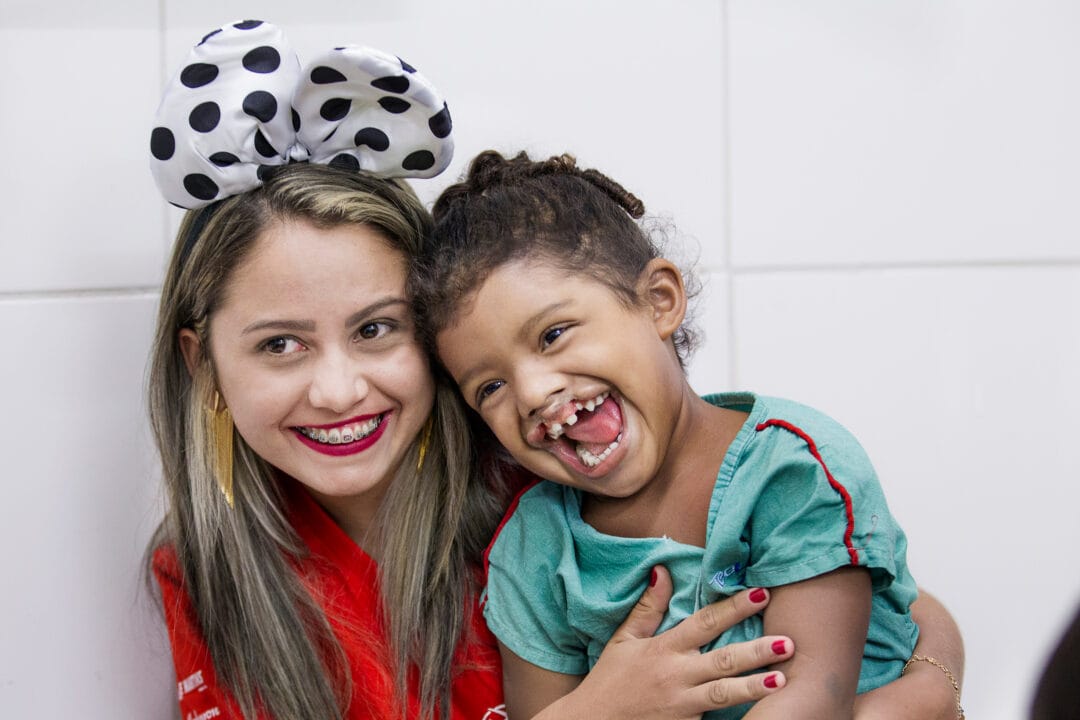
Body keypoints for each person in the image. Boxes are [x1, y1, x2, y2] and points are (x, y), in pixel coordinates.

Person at [144, 20, 830, 720]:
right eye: (280, 345)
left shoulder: (552, 476)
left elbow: (853, 580)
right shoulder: (204, 572)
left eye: (377, 329)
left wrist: (928, 674)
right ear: (204, 365)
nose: (339, 390)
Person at [418, 150, 967, 719]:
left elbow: (807, 705)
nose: (531, 392)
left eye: (553, 334)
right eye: (489, 387)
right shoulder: (533, 551)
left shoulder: (794, 469)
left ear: (659, 301)